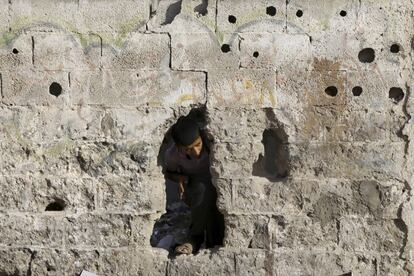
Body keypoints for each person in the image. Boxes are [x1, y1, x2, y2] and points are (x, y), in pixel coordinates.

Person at [163, 116, 224, 254]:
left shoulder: (212, 145)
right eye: (189, 149)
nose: (196, 152)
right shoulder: (174, 155)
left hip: (217, 185)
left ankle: (211, 245)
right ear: (179, 148)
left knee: (215, 212)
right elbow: (168, 173)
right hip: (196, 188)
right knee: (203, 191)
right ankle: (194, 239)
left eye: (197, 145)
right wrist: (180, 179)